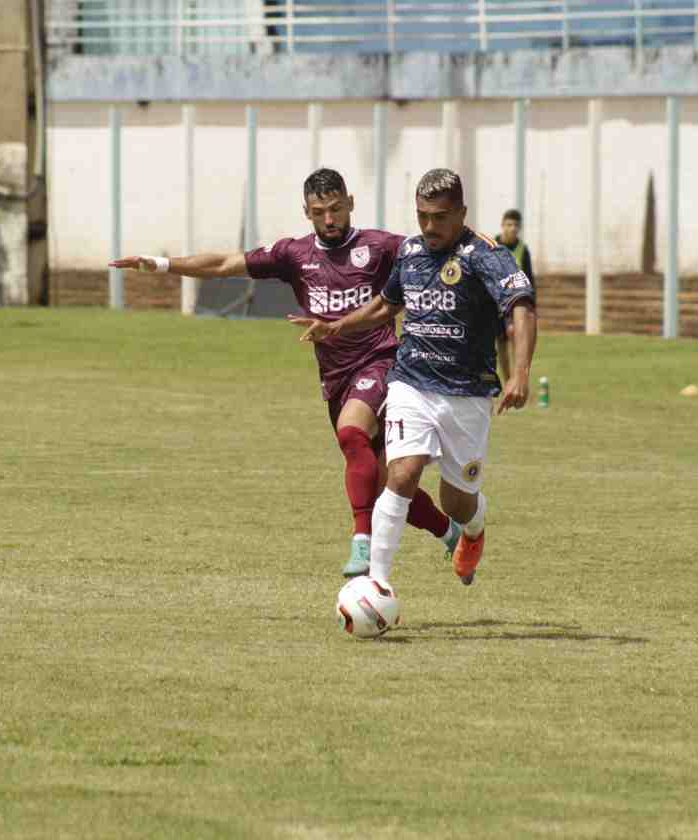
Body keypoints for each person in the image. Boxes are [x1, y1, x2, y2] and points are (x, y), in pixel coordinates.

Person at [109, 168, 460, 575]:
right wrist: (160, 263)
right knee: (384, 483)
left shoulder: (380, 246)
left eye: (335, 209)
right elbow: (225, 263)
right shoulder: (295, 255)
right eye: (318, 212)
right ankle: (449, 533)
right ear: (306, 213)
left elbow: (433, 249)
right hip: (335, 378)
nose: (329, 219)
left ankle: (361, 544)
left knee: (351, 433)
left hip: (381, 362)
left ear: (350, 203)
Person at [291, 169, 538, 586]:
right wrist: (336, 326)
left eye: (439, 217)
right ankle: (377, 585)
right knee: (401, 473)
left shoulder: (487, 255)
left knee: (456, 500)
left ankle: (472, 530)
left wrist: (520, 373)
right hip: (409, 381)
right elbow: (385, 306)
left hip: (467, 391)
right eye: (422, 215)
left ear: (461, 212)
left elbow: (522, 307)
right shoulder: (410, 251)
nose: (429, 226)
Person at [496, 209, 535, 288]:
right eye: (509, 225)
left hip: (515, 296)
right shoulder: (491, 246)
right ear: (502, 225)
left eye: (516, 225)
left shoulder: (523, 249)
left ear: (520, 227)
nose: (513, 228)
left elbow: (528, 277)